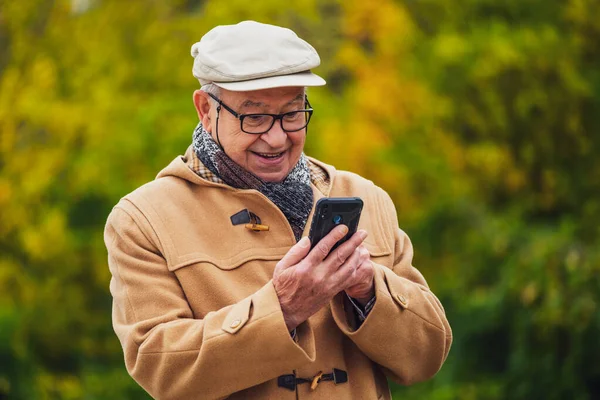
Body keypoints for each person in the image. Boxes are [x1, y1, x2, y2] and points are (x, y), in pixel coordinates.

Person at [104, 20, 452, 400]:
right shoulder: (143, 219)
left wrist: (368, 291)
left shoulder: (365, 197)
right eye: (254, 117)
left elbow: (427, 358)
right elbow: (161, 368)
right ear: (206, 110)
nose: (276, 137)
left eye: (291, 114)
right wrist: (282, 309)